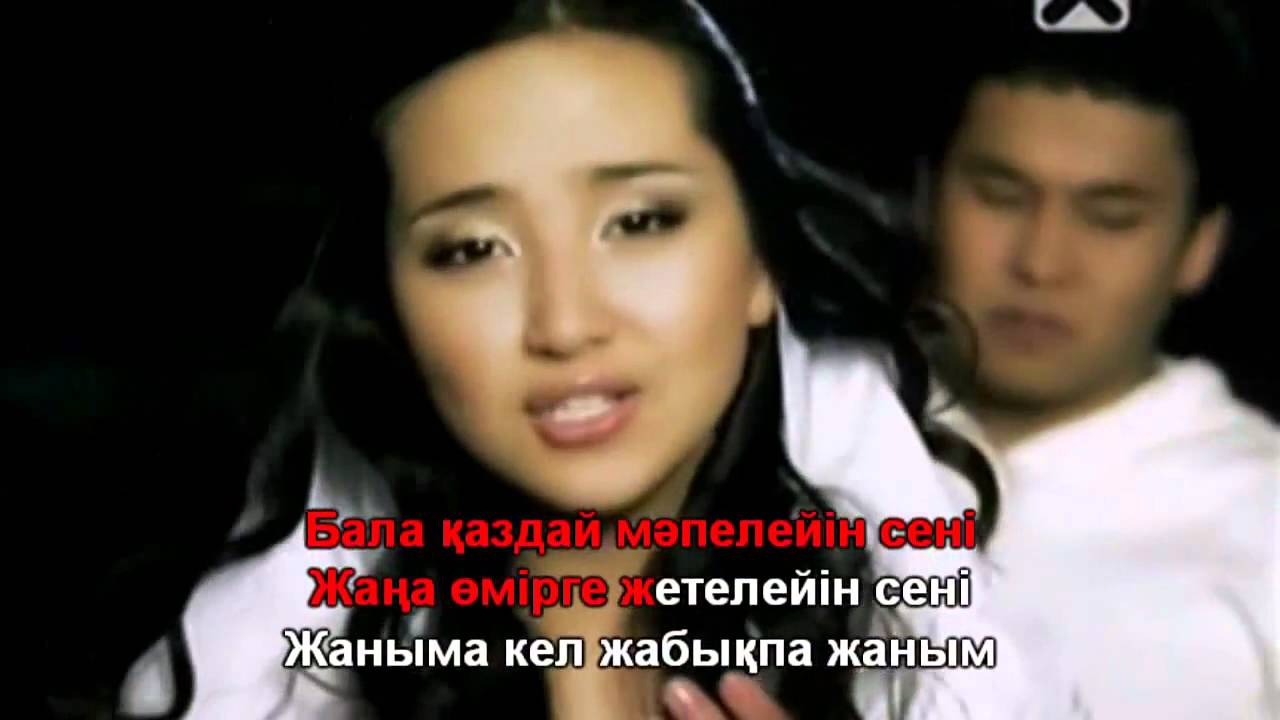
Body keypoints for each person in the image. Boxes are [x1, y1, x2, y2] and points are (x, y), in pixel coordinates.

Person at [108, 2, 1082, 719]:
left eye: (639, 221)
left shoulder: (907, 659)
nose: (565, 324)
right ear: (393, 310)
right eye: (472, 249)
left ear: (761, 265)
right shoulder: (273, 683)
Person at [804, 0, 1275, 717]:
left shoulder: (1261, 516)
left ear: (1200, 244)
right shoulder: (796, 422)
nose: (1042, 261)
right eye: (999, 196)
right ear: (925, 197)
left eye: (1111, 217)